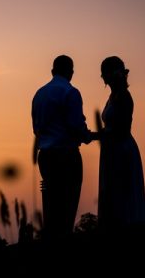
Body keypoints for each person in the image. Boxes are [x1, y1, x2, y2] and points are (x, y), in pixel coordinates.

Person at [31, 55, 95, 242]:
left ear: (52, 71)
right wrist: (87, 136)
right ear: (71, 72)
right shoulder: (71, 92)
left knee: (50, 207)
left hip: (45, 157)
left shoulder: (39, 94)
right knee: (67, 209)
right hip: (66, 157)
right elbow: (76, 125)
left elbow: (36, 129)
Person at [97, 56, 145, 229]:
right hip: (111, 149)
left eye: (103, 73)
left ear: (109, 75)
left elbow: (122, 130)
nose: (101, 77)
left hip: (121, 150)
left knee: (122, 192)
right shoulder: (113, 96)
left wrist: (97, 136)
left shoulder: (124, 97)